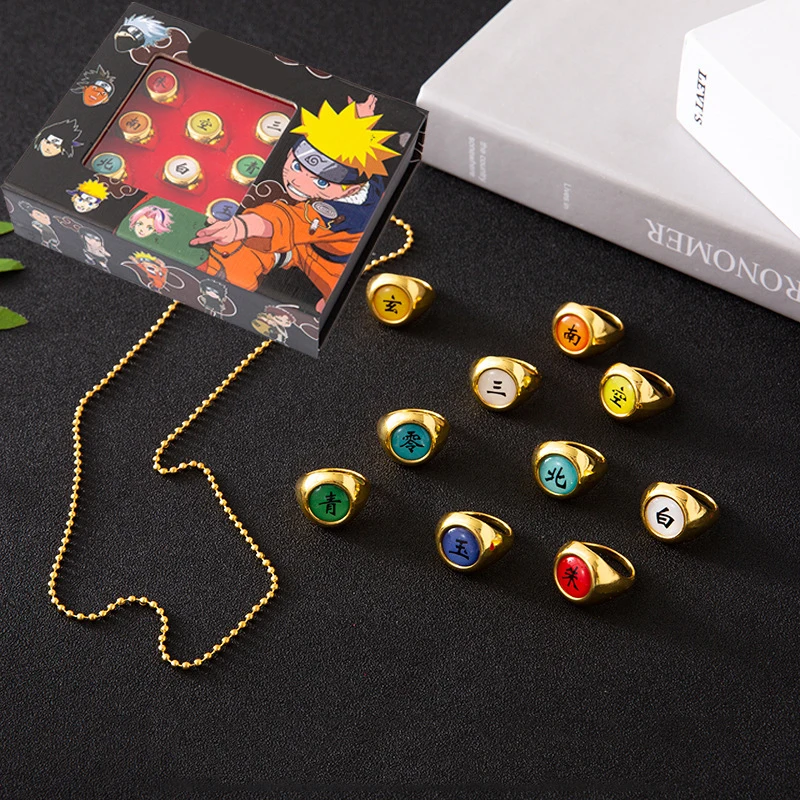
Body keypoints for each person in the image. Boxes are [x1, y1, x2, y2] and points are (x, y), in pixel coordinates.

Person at [190, 95, 399, 313]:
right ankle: (218, 284)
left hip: (329, 266)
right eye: (297, 166)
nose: (297, 181)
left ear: (352, 190)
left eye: (321, 181)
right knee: (237, 248)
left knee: (338, 304)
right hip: (299, 243)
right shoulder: (363, 171)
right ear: (291, 153)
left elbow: (288, 220)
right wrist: (356, 121)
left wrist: (243, 226)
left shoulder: (337, 214)